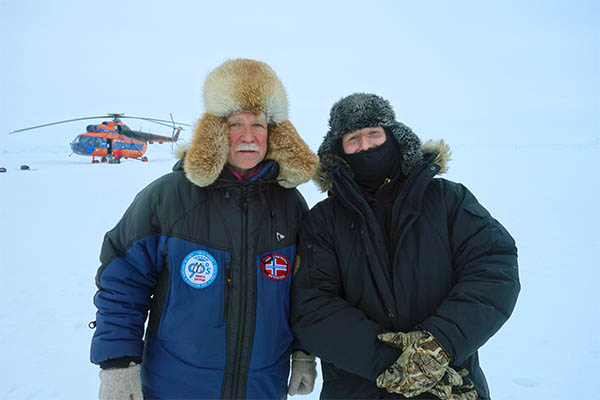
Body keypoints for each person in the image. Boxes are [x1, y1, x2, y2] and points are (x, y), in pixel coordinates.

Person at [90, 58, 319, 399]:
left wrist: (304, 352)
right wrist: (118, 363)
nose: (247, 137)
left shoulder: (290, 204)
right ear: (214, 130)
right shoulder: (168, 197)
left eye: (257, 125)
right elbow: (123, 282)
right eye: (234, 124)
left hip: (263, 387)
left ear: (273, 133)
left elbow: (306, 288)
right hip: (175, 386)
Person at [290, 93, 520, 399]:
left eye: (374, 134)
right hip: (358, 387)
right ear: (339, 151)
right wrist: (394, 363)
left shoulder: (447, 200)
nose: (366, 145)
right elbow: (312, 304)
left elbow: (494, 268)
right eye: (353, 139)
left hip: (450, 383)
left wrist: (438, 345)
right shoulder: (323, 222)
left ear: (394, 137)